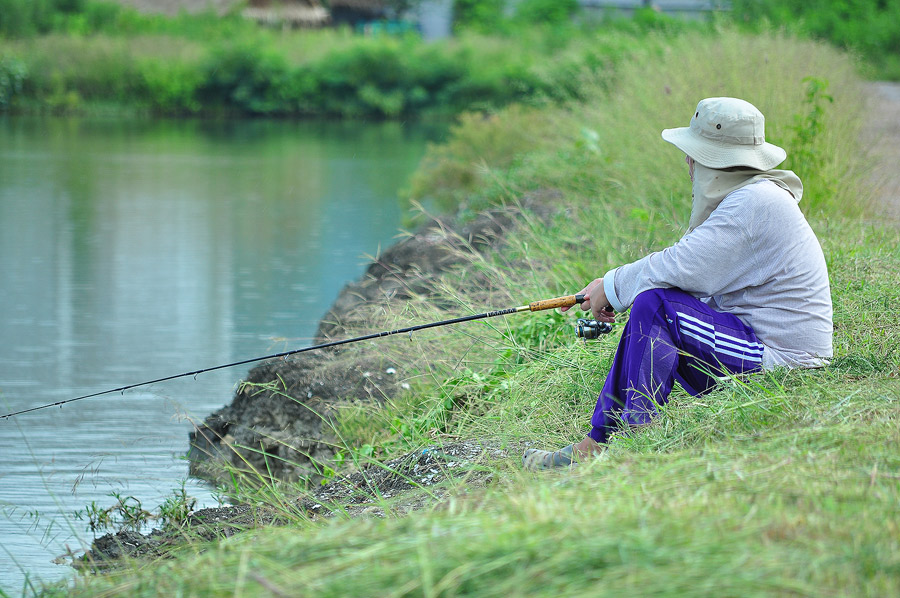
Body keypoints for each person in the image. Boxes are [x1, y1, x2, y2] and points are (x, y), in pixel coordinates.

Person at [523, 97, 833, 470]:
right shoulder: (753, 197)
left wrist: (612, 285)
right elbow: (688, 275)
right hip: (763, 349)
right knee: (656, 304)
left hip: (784, 365)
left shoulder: (756, 203)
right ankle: (599, 443)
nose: (687, 162)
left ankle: (628, 445)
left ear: (709, 160)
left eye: (692, 154)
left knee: (657, 305)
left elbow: (683, 267)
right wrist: (614, 288)